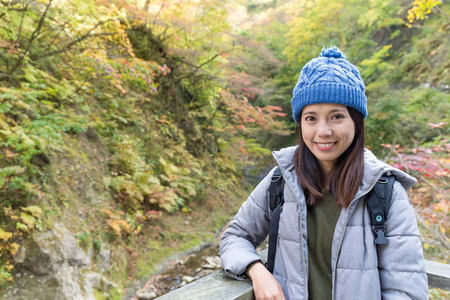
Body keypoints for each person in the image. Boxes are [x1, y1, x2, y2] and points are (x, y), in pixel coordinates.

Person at [219, 46, 428, 300]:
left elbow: (406, 290)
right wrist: (256, 269)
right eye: (311, 118)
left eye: (337, 116)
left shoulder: (384, 191)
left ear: (356, 122)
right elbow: (235, 236)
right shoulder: (281, 179)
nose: (323, 131)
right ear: (300, 123)